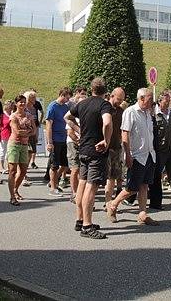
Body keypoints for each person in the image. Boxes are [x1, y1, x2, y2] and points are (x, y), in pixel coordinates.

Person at [65, 77, 112, 239]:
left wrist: (79, 130)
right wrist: (106, 140)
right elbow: (107, 123)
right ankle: (87, 225)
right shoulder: (104, 104)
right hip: (96, 152)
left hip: (84, 149)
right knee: (91, 188)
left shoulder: (82, 104)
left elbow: (67, 117)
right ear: (105, 91)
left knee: (82, 185)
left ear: (91, 89)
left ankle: (80, 220)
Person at [107, 88, 159, 226]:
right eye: (149, 99)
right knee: (131, 188)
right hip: (136, 155)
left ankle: (142, 214)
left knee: (144, 186)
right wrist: (128, 154)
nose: (152, 102)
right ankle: (112, 205)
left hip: (149, 155)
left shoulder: (148, 113)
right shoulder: (131, 112)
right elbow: (125, 134)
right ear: (141, 98)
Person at [150, 90, 171, 209]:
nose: (168, 104)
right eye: (166, 102)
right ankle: (154, 199)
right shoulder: (153, 114)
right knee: (156, 174)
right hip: (159, 149)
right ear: (159, 101)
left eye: (169, 102)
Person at [7, 95, 36, 205]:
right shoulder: (13, 116)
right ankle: (12, 197)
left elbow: (34, 130)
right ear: (16, 104)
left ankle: (15, 189)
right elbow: (17, 132)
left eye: (24, 102)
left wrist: (26, 131)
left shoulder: (29, 115)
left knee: (23, 171)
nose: (23, 104)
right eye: (20, 102)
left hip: (24, 145)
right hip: (14, 144)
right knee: (13, 170)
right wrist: (27, 130)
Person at [45, 87, 72, 197]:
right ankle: (53, 188)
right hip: (55, 139)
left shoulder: (65, 107)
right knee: (54, 165)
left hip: (64, 139)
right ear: (62, 95)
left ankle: (53, 181)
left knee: (65, 165)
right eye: (67, 97)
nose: (68, 100)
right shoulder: (53, 106)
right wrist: (49, 142)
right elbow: (48, 125)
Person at [104, 87, 126, 213]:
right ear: (111, 96)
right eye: (118, 99)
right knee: (99, 178)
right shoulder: (104, 108)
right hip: (104, 147)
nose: (120, 102)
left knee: (112, 176)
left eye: (122, 100)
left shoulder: (121, 111)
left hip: (116, 147)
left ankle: (108, 202)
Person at [66, 88, 88, 203]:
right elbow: (70, 132)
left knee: (83, 170)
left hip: (84, 145)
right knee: (75, 169)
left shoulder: (86, 115)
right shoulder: (73, 115)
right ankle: (74, 193)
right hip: (73, 143)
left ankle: (81, 193)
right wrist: (78, 141)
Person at [25, 90, 42, 170]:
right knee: (25, 152)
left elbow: (35, 119)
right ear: (28, 99)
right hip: (25, 134)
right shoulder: (24, 108)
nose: (35, 99)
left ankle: (25, 169)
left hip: (33, 133)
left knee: (31, 151)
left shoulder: (33, 108)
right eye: (33, 98)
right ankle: (23, 172)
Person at [0, 100, 15, 176]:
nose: (12, 107)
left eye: (12, 105)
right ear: (7, 106)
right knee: (3, 151)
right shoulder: (2, 114)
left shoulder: (13, 114)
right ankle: (1, 167)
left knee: (10, 152)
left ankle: (9, 167)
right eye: (11, 105)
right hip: (4, 134)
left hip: (12, 135)